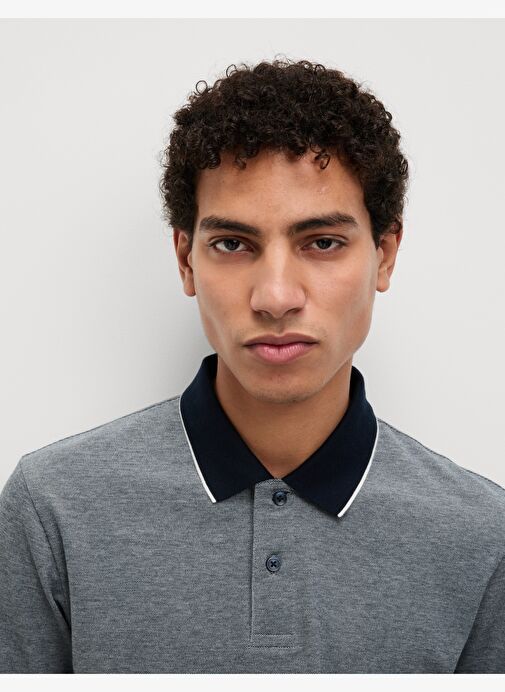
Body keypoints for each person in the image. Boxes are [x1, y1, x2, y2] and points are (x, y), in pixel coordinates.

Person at [1, 58, 504, 674]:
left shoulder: (483, 537)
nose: (275, 297)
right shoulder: (52, 508)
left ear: (386, 254)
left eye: (323, 242)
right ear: (186, 260)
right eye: (233, 244)